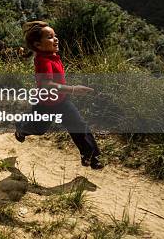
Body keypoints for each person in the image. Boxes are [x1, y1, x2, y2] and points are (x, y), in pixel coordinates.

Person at [15, 21, 104, 170]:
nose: (55, 39)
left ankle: (91, 156)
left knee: (78, 125)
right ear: (38, 45)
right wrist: (74, 89)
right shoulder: (43, 61)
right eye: (50, 37)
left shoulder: (52, 55)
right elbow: (47, 85)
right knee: (39, 129)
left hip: (62, 102)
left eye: (55, 35)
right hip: (45, 105)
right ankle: (21, 128)